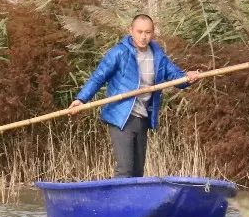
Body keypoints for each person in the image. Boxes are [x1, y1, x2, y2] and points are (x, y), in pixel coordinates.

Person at [68, 14, 201, 177]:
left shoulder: (157, 55)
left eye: (148, 32)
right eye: (139, 32)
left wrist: (189, 77)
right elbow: (99, 76)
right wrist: (81, 99)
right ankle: (118, 202)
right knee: (125, 169)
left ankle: (134, 202)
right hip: (121, 116)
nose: (143, 37)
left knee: (138, 172)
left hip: (143, 117)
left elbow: (176, 76)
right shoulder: (119, 53)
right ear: (131, 31)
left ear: (153, 33)